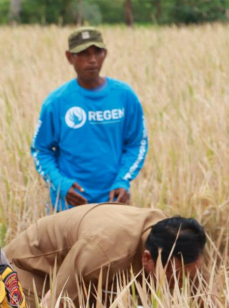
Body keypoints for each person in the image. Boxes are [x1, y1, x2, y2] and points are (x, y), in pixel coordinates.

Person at [3, 205, 208, 308]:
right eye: (174, 279)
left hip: (82, 268)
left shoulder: (181, 244)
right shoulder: (103, 252)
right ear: (146, 258)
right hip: (32, 268)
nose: (180, 287)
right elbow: (54, 304)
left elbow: (206, 293)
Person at [31, 27, 148, 211]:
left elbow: (137, 144)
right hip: (69, 207)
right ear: (70, 57)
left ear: (105, 54)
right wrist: (61, 184)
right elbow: (41, 150)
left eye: (97, 52)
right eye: (83, 54)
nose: (92, 60)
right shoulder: (57, 102)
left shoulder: (124, 96)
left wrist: (123, 180)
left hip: (112, 203)